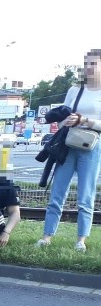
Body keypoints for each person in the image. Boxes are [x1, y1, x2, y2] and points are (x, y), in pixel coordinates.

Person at [36, 49, 101, 252]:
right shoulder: (75, 90)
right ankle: (47, 236)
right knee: (57, 192)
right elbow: (64, 113)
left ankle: (81, 239)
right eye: (86, 64)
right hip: (68, 144)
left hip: (91, 147)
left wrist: (85, 120)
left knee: (85, 196)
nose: (88, 68)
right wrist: (65, 119)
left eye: (93, 64)